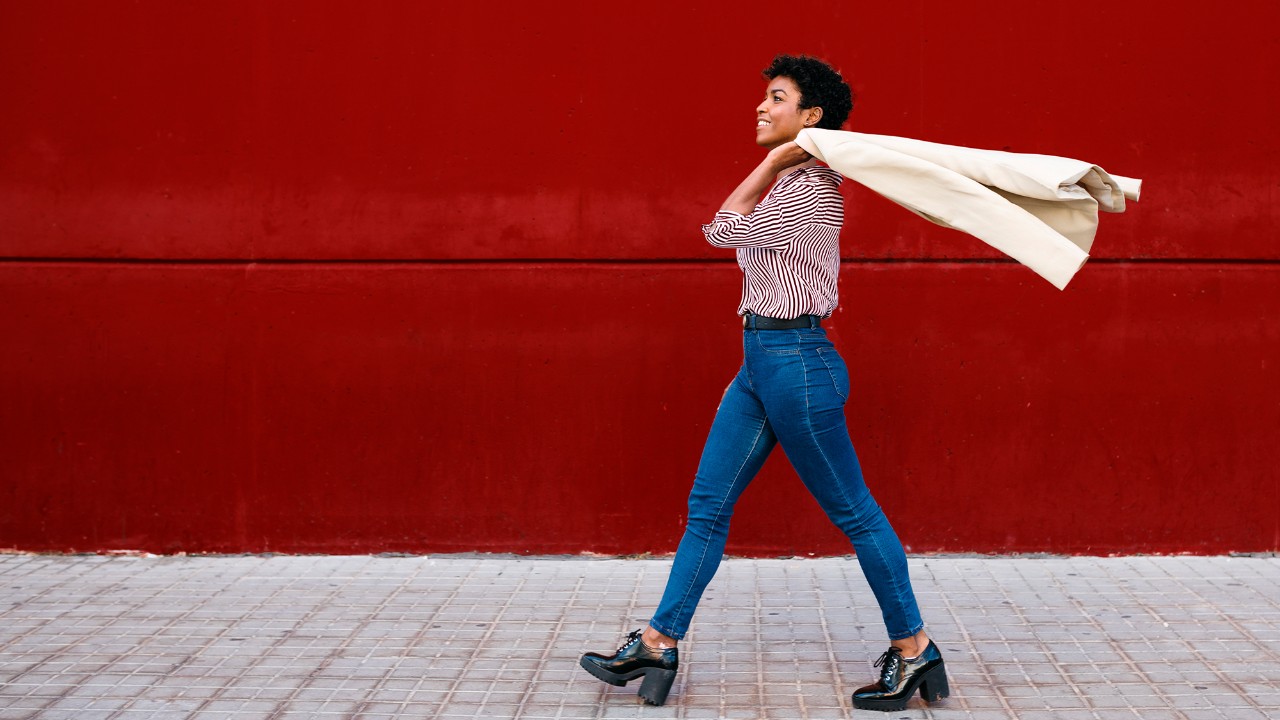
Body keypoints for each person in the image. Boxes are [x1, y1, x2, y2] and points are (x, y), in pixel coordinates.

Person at [579, 55, 948, 712]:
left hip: (798, 364)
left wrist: (777, 164)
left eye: (776, 99)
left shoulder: (809, 189)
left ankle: (915, 650)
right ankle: (659, 643)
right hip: (761, 364)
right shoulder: (789, 184)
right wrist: (777, 163)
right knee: (708, 506)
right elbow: (732, 222)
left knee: (856, 514)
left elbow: (720, 226)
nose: (760, 107)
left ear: (810, 117)